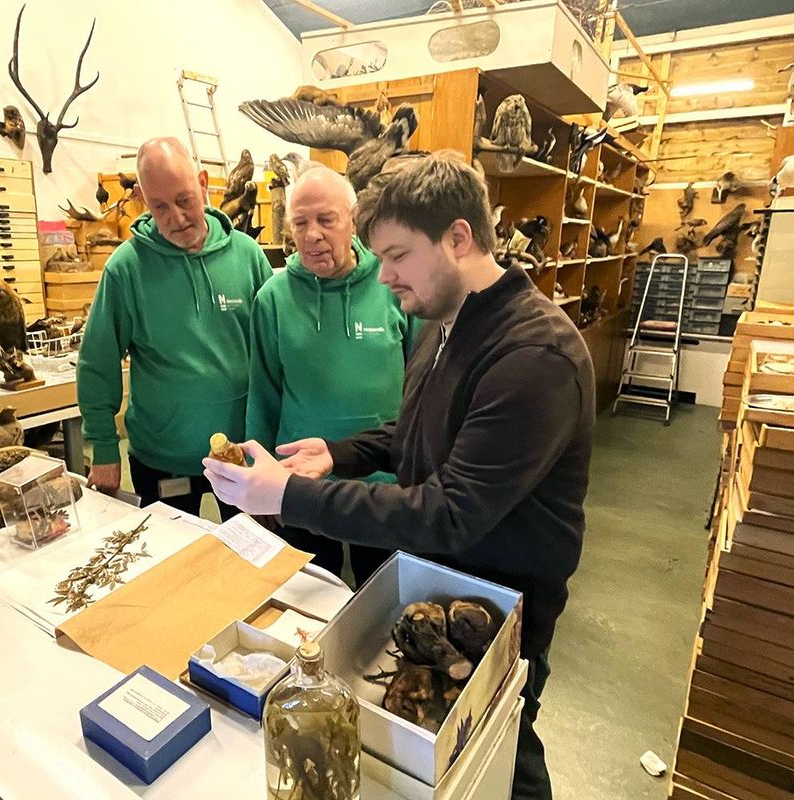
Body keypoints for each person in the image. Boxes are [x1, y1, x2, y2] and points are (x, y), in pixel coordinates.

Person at [202, 153, 595, 799]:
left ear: (458, 238)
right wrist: (339, 453)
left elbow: (448, 510)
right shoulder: (447, 324)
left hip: (501, 605)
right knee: (451, 753)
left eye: (397, 255)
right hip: (442, 582)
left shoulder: (533, 357)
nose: (383, 276)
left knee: (506, 750)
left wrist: (291, 493)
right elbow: (414, 431)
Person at [77, 137, 272, 519]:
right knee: (170, 568)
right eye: (159, 206)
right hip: (160, 458)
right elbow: (97, 364)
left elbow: (273, 356)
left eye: (184, 200)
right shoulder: (126, 268)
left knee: (252, 567)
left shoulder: (248, 257)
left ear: (203, 184)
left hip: (241, 455)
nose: (176, 218)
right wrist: (102, 447)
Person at [246, 165, 418, 586]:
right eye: (300, 223)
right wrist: (259, 476)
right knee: (308, 601)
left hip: (383, 486)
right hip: (299, 479)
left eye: (326, 220)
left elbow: (422, 384)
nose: (312, 235)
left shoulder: (392, 283)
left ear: (353, 219)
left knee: (383, 603)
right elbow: (263, 394)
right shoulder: (273, 298)